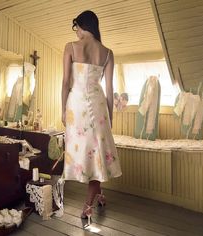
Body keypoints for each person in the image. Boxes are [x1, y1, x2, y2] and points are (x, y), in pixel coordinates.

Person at [61, 10, 122, 224]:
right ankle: (99, 195)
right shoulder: (107, 52)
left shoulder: (70, 47)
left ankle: (87, 208)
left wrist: (62, 110)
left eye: (76, 26)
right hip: (98, 107)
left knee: (88, 153)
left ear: (82, 25)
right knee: (96, 152)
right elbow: (110, 87)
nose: (76, 31)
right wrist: (110, 117)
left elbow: (66, 82)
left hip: (76, 106)